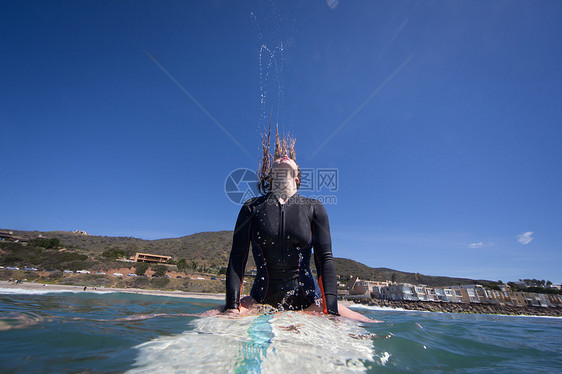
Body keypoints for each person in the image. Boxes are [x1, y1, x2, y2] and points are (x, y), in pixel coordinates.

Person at [224, 128, 376, 323]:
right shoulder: (252, 208)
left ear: (297, 178)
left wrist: (331, 310)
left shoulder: (314, 208)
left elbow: (325, 260)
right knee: (209, 318)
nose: (284, 155)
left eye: (289, 158)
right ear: (270, 177)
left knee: (369, 324)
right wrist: (232, 308)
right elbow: (237, 259)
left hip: (310, 303)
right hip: (259, 302)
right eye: (277, 160)